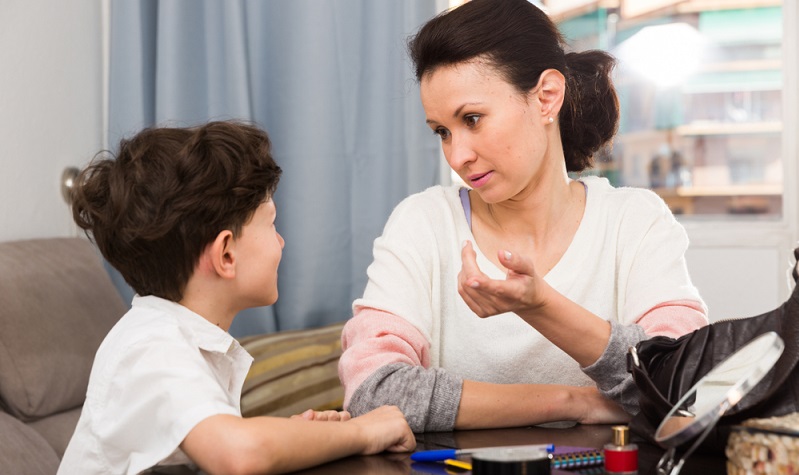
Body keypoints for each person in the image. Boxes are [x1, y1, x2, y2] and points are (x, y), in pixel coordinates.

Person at [338, 0, 709, 433]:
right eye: (442, 131)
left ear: (546, 97)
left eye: (472, 119)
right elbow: (373, 391)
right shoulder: (423, 223)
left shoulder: (635, 222)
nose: (458, 155)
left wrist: (541, 306)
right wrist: (570, 401)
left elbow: (686, 386)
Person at [59, 121, 415, 475]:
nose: (281, 242)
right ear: (226, 255)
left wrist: (294, 435)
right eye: (271, 224)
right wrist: (363, 432)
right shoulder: (152, 346)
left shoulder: (174, 339)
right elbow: (239, 455)